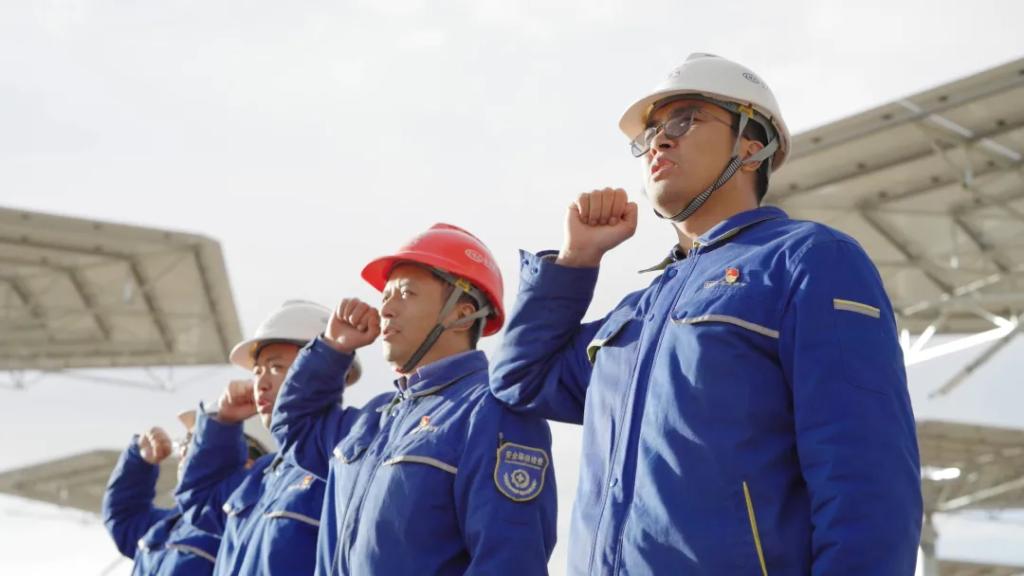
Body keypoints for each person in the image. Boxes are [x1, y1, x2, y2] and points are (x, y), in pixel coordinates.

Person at [489, 53, 922, 575]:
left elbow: (866, 475)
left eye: (684, 121)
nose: (659, 142)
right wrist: (575, 262)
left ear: (752, 147)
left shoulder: (810, 260)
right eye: (649, 135)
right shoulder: (637, 314)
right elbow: (520, 380)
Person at [272, 223, 557, 575]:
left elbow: (509, 562)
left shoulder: (493, 411)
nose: (386, 310)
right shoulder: (373, 418)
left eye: (406, 293)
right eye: (385, 297)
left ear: (461, 314)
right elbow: (294, 427)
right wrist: (332, 349)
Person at [174, 300, 359, 575]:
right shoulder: (263, 474)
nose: (261, 382)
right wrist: (222, 424)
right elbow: (199, 501)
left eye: (276, 368)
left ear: (328, 368)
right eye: (258, 371)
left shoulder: (344, 462)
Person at [102, 412, 266, 575]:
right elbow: (124, 516)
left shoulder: (248, 527)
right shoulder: (172, 523)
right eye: (184, 443)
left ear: (248, 463)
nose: (182, 453)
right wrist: (139, 462)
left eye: (196, 444)